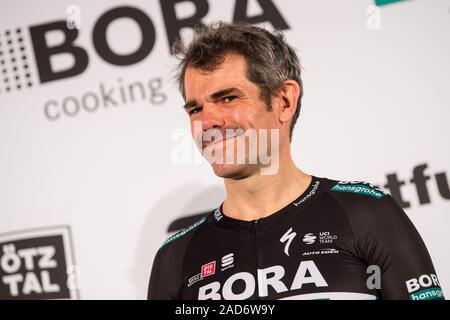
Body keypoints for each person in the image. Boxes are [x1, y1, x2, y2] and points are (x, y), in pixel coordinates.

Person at [147, 22, 444, 300]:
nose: (208, 121)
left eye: (228, 98)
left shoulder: (367, 213)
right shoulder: (176, 257)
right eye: (195, 109)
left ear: (284, 101)